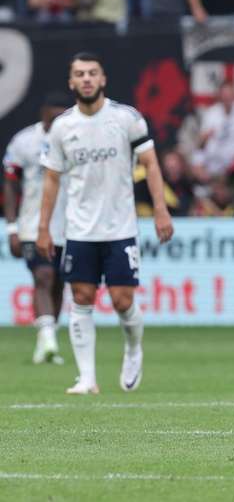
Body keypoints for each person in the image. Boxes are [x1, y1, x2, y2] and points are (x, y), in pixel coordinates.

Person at [37, 52, 174, 395]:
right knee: (81, 297)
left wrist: (160, 210)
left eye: (92, 73)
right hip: (79, 228)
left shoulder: (127, 119)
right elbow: (51, 179)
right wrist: (42, 227)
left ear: (103, 79)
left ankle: (133, 349)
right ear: (71, 82)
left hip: (120, 227)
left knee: (122, 300)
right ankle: (87, 378)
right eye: (80, 74)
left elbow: (151, 165)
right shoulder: (62, 127)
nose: (86, 79)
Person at [3, 97, 68, 364]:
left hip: (70, 225)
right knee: (43, 276)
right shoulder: (24, 141)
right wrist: (12, 227)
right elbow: (9, 184)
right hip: (33, 226)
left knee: (60, 284)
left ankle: (45, 342)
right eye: (53, 119)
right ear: (43, 114)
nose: (58, 124)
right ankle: (49, 338)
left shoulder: (76, 140)